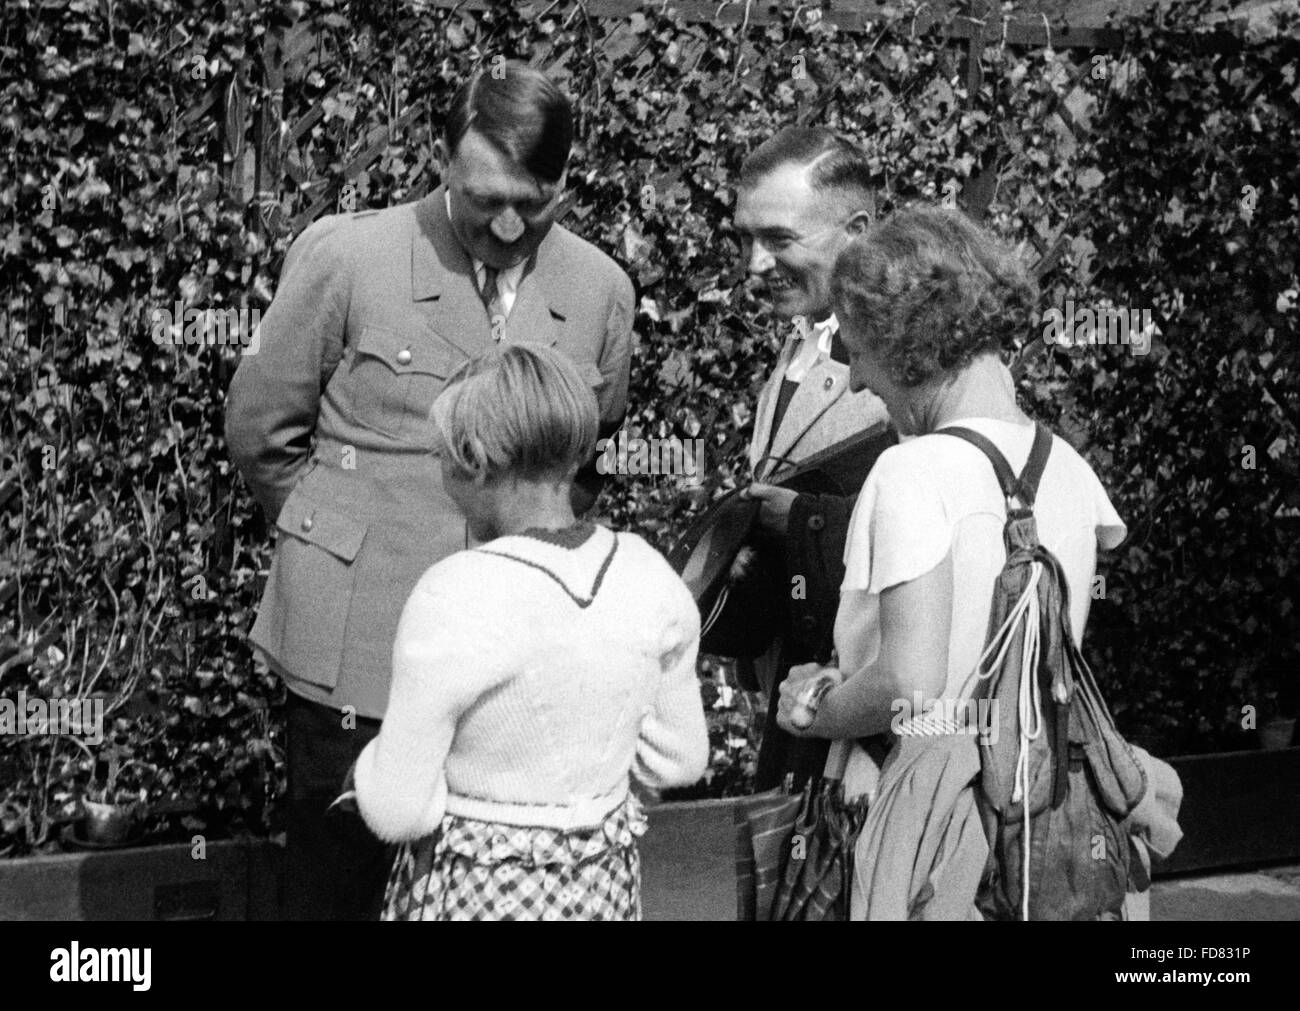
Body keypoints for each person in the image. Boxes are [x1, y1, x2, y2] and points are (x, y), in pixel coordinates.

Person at [224, 63, 635, 920]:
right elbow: (262, 430)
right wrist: (346, 536)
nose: (512, 223)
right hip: (360, 649)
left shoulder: (600, 290)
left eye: (537, 197)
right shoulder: (348, 255)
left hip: (515, 662)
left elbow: (583, 464)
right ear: (442, 157)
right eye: (487, 197)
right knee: (338, 885)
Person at [775, 206, 1128, 918]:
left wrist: (812, 712)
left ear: (905, 340)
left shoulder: (911, 471)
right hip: (1032, 818)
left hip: (915, 822)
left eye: (857, 349)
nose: (856, 382)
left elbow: (912, 681)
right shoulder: (1071, 472)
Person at [352, 344, 708, 921]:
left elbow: (398, 810)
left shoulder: (454, 592)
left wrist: (364, 770)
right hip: (602, 888)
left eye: (442, 455)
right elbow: (681, 761)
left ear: (473, 462)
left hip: (474, 892)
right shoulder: (647, 572)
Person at [729, 127, 893, 791]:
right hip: (796, 704)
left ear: (855, 230)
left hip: (866, 731)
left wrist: (802, 518)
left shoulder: (912, 360)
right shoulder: (804, 338)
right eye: (746, 238)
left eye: (778, 239)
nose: (754, 266)